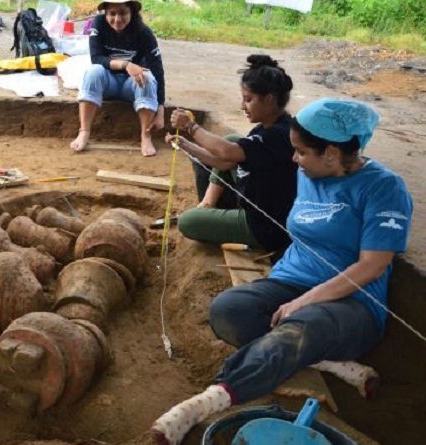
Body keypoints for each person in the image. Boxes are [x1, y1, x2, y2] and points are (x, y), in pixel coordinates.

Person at [150, 99, 413, 445]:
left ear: (332, 153)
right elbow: (233, 159)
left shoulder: (384, 188)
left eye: (301, 152)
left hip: (353, 305)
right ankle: (327, 361)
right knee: (228, 310)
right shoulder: (309, 172)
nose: (294, 160)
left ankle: (207, 401)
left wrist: (303, 302)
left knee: (301, 328)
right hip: (291, 281)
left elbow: (372, 265)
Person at [167, 55, 297, 253]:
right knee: (232, 139)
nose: (242, 106)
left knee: (188, 222)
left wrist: (190, 126)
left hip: (264, 226)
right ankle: (208, 204)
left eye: (248, 99)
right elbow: (223, 162)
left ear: (269, 99)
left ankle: (223, 219)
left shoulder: (278, 135)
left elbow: (226, 152)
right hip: (258, 201)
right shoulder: (269, 127)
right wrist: (185, 145)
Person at [69, 0, 166, 157]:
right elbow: (97, 58)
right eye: (112, 14)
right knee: (93, 72)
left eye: (123, 13)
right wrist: (126, 65)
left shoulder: (144, 33)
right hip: (108, 82)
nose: (117, 19)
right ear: (105, 13)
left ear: (132, 12)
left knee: (146, 76)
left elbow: (157, 70)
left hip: (132, 86)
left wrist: (160, 110)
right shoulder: (98, 24)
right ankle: (84, 131)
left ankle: (146, 136)